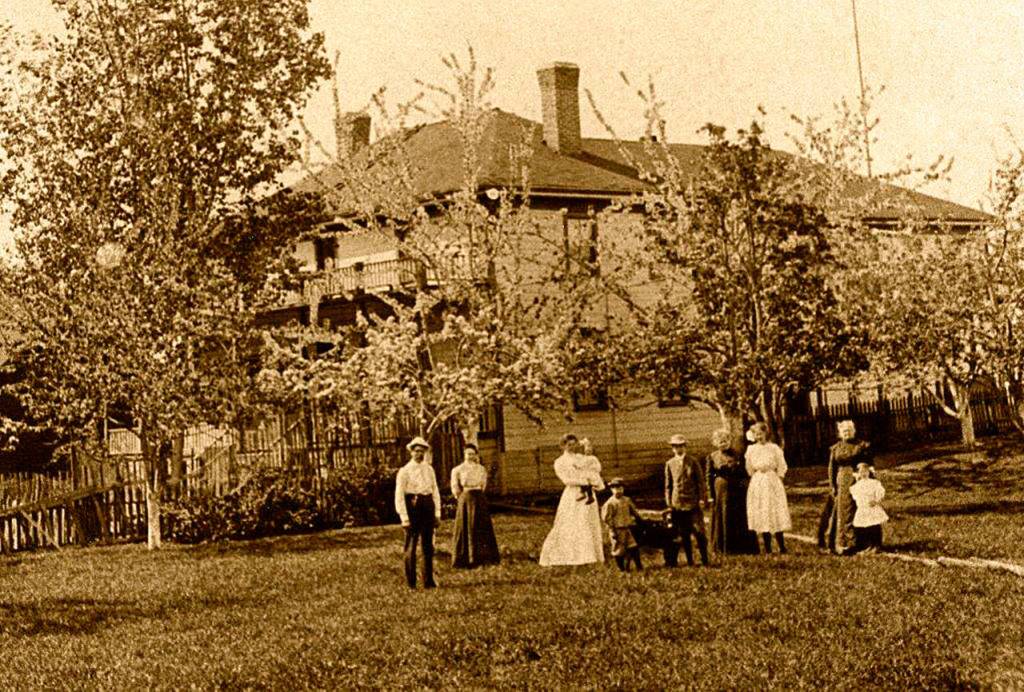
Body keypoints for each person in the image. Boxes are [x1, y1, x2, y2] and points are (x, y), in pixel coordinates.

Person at [539, 433, 606, 566]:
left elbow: (595, 469)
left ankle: (590, 554)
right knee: (573, 522)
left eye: (574, 444)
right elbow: (566, 479)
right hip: (573, 493)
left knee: (588, 521)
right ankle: (571, 554)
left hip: (588, 493)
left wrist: (590, 478)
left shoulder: (581, 458)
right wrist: (583, 480)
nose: (571, 447)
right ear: (563, 446)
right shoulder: (560, 462)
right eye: (568, 445)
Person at [394, 436, 441, 589]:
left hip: (427, 505)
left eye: (422, 451)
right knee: (411, 545)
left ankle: (428, 580)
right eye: (417, 451)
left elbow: (435, 491)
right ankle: (411, 582)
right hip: (413, 506)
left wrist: (437, 513)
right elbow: (399, 495)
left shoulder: (429, 469)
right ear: (411, 452)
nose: (419, 454)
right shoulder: (405, 471)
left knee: (428, 546)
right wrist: (404, 517)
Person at [705, 428, 757, 555]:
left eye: (726, 441)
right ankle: (722, 548)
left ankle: (740, 547)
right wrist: (710, 495)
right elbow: (708, 476)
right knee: (722, 516)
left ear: (730, 441)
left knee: (737, 517)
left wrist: (744, 485)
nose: (723, 444)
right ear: (715, 443)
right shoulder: (712, 457)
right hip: (720, 491)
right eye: (720, 441)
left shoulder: (738, 454)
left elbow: (744, 473)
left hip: (736, 491)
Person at [450, 442, 500, 568]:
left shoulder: (481, 469)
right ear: (464, 454)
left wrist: (478, 495)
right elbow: (455, 487)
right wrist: (462, 497)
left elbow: (483, 485)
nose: (470, 456)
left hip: (479, 498)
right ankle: (466, 558)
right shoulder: (458, 470)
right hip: (466, 498)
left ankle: (484, 557)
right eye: (468, 454)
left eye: (473, 454)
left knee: (481, 526)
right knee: (466, 527)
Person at [744, 423, 792, 555]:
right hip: (759, 480)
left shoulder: (774, 448)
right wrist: (757, 476)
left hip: (772, 480)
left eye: (761, 433)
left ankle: (782, 546)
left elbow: (782, 465)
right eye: (756, 434)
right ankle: (767, 548)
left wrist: (779, 478)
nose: (759, 436)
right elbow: (749, 468)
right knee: (763, 511)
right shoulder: (751, 449)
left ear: (766, 433)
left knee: (775, 511)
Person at [664, 434, 710, 567]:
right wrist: (669, 503)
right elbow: (668, 485)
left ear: (685, 447)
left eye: (681, 446)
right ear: (672, 448)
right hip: (677, 504)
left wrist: (702, 499)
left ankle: (705, 559)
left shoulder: (692, 461)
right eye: (676, 446)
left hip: (693, 503)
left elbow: (701, 482)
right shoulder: (670, 464)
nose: (679, 449)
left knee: (699, 532)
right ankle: (690, 561)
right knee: (684, 534)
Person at [827, 419, 872, 555]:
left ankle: (861, 543)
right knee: (843, 511)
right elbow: (831, 468)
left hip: (858, 480)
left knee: (858, 510)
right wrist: (832, 485)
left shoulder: (861, 445)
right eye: (844, 431)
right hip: (842, 480)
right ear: (840, 433)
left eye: (849, 430)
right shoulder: (836, 448)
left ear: (853, 431)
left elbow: (868, 464)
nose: (846, 433)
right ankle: (843, 543)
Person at [601, 478, 643, 572]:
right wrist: (612, 531)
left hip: (627, 528)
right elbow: (607, 519)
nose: (618, 490)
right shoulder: (610, 503)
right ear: (611, 490)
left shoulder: (627, 500)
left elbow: (634, 511)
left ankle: (639, 567)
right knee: (619, 550)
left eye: (620, 488)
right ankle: (622, 569)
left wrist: (639, 519)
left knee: (633, 547)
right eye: (615, 488)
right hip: (617, 529)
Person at [848, 462, 888, 555]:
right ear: (858, 473)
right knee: (863, 527)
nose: (864, 474)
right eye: (861, 472)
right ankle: (868, 545)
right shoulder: (857, 486)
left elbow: (880, 492)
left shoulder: (874, 483)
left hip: (872, 507)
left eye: (866, 471)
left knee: (874, 526)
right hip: (863, 508)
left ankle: (877, 545)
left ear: (869, 472)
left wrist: (876, 500)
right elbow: (856, 497)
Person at [576, 438, 598, 504]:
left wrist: (592, 468)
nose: (588, 451)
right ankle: (584, 494)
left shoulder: (593, 458)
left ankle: (589, 496)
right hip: (585, 474)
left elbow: (598, 466)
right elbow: (580, 465)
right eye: (587, 450)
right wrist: (578, 466)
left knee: (587, 483)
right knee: (583, 482)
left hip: (590, 474)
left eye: (590, 450)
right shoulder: (583, 458)